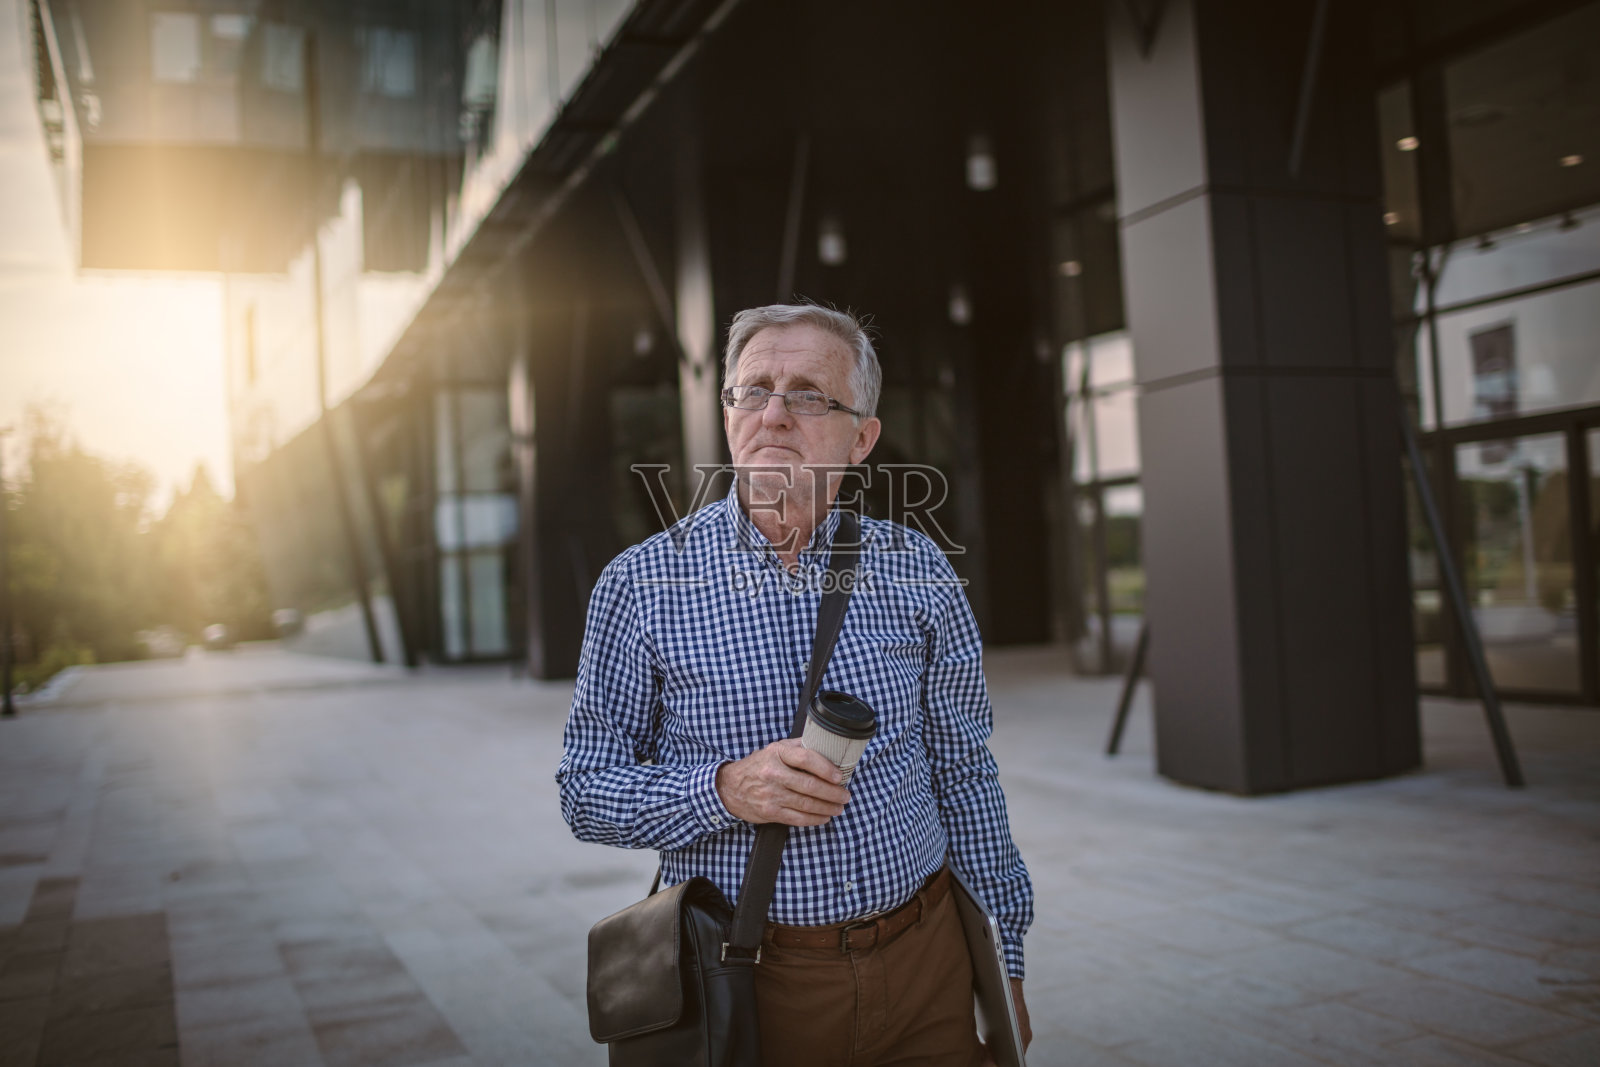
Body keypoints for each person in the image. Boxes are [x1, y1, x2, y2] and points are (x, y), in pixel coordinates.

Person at [558, 304, 1033, 1066]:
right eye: (754, 391)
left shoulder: (917, 567)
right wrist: (726, 789)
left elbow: (965, 771)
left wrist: (1003, 957)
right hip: (753, 983)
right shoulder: (641, 584)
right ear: (728, 414)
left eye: (810, 394)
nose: (775, 413)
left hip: (927, 966)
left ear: (862, 437)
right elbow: (585, 792)